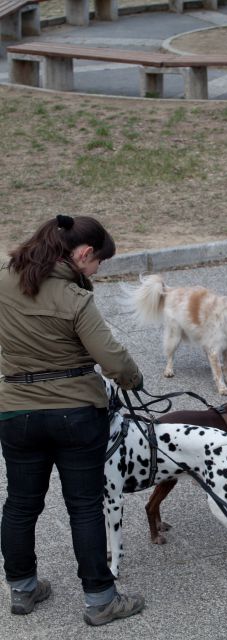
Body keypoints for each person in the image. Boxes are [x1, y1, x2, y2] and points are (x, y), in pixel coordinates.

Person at [0, 215, 145, 626]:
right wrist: (134, 380)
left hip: (16, 411)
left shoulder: (3, 282)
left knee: (21, 503)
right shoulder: (75, 299)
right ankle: (100, 599)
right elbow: (113, 358)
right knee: (83, 506)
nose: (98, 270)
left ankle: (23, 589)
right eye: (99, 262)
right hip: (76, 414)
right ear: (82, 254)